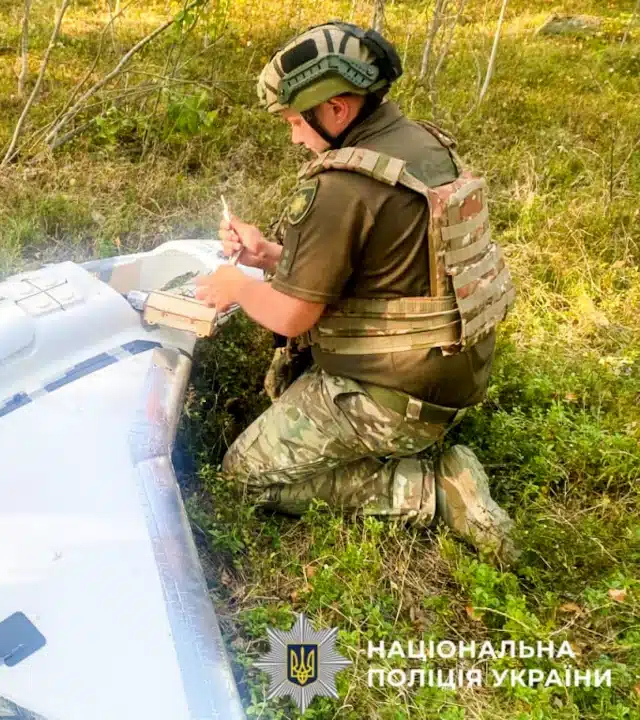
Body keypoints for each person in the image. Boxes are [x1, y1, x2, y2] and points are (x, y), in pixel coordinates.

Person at [193, 22, 517, 558]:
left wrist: (235, 285)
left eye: (297, 121)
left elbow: (292, 318)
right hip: (453, 368)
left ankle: (430, 490)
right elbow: (385, 265)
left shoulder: (341, 186)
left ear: (338, 109)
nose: (295, 136)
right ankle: (411, 450)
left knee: (243, 474)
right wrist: (269, 256)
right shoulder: (420, 144)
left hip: (396, 398)